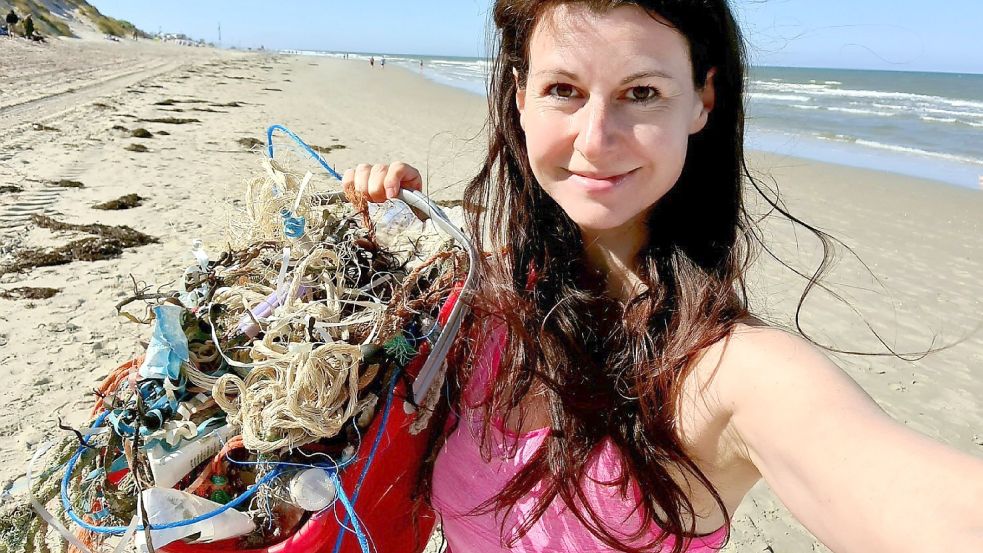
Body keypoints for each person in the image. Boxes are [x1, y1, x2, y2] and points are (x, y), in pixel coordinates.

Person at [343, 1, 983, 552]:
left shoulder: (729, 376)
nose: (595, 140)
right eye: (563, 89)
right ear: (519, 95)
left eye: (641, 93)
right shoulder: (476, 303)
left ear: (703, 101)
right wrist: (381, 242)